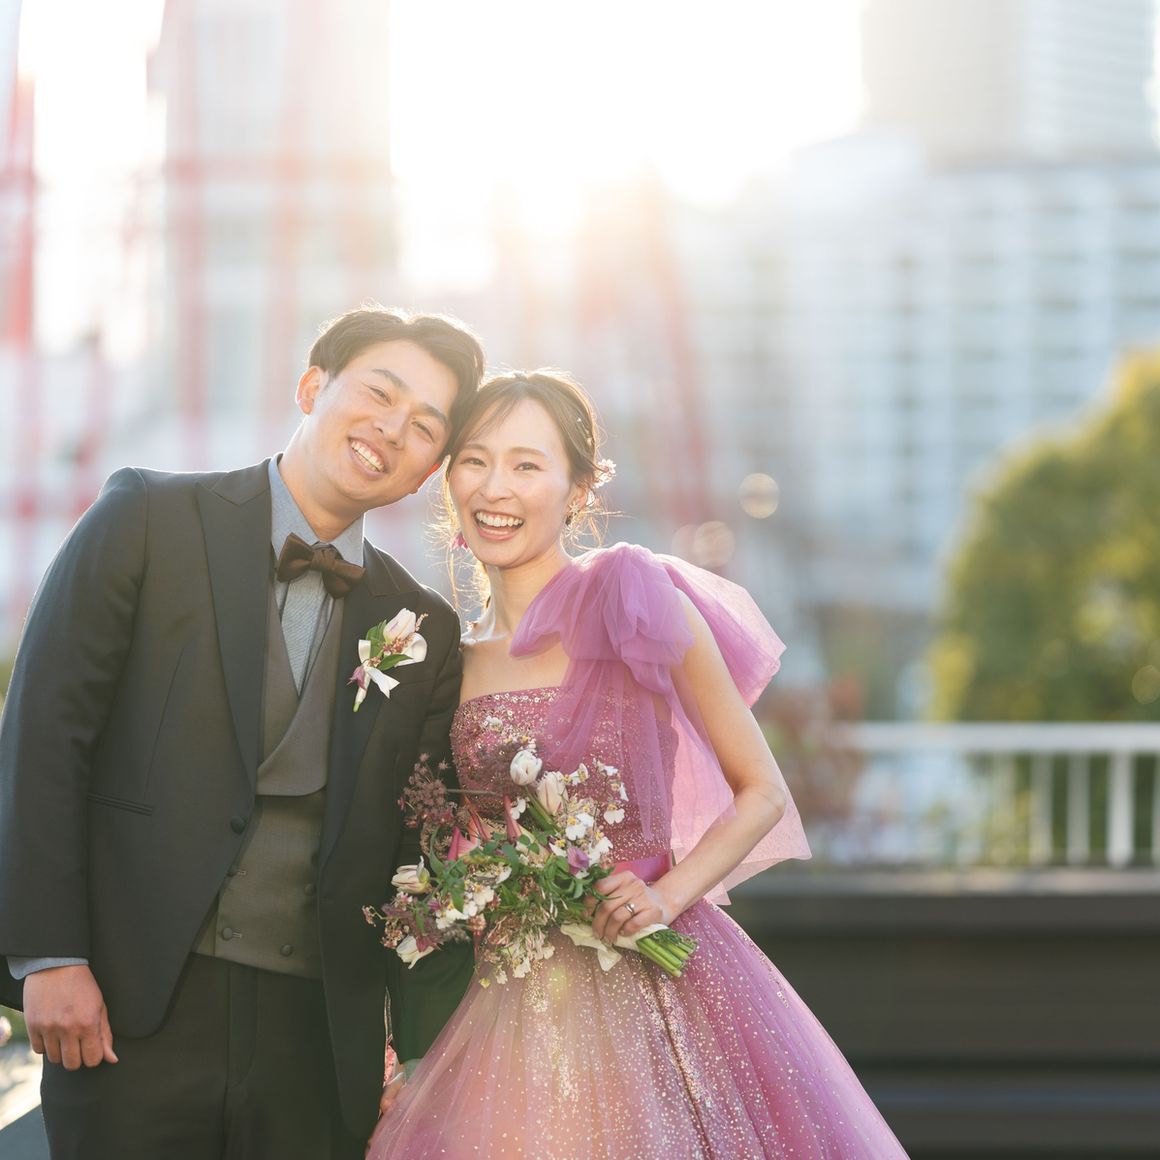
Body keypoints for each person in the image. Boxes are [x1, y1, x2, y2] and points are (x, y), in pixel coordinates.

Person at [367, 370, 909, 1159]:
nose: (496, 487)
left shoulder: (630, 601)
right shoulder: (451, 658)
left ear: (577, 491)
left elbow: (761, 792)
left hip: (661, 990)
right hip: (508, 1002)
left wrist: (664, 896)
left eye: (527, 464)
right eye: (475, 460)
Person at [0, 305, 486, 1159]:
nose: (392, 430)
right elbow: (43, 740)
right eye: (379, 394)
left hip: (316, 1040)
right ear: (311, 386)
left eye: (423, 428)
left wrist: (419, 1048)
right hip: (126, 1008)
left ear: (426, 474)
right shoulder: (146, 516)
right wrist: (48, 956)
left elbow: (419, 846)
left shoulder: (425, 626)